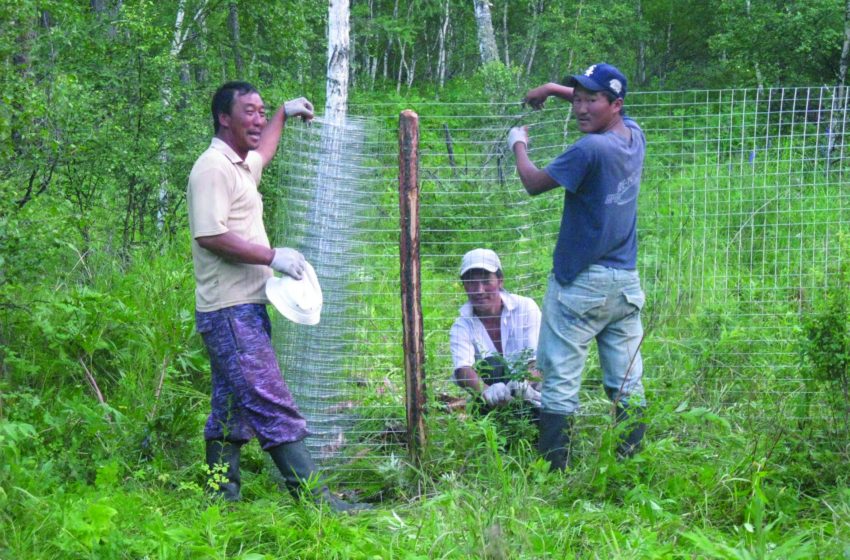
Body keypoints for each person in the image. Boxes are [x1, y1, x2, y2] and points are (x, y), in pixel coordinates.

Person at [187, 81, 366, 511]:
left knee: (229, 409)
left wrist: (283, 114)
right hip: (229, 310)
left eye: (262, 111)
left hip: (243, 306)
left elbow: (263, 151)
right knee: (271, 400)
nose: (258, 119)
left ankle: (220, 500)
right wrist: (273, 256)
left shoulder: (239, 165)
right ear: (223, 118)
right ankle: (318, 503)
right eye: (249, 111)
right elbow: (210, 234)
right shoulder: (211, 168)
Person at [507, 63, 648, 470]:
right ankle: (631, 465)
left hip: (580, 285)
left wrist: (519, 143)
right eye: (579, 99)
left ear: (615, 105)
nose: (581, 109)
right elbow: (596, 104)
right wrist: (553, 88)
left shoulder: (590, 149)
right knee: (627, 382)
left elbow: (534, 184)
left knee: (560, 379)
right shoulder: (632, 137)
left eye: (592, 101)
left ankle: (554, 471)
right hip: (624, 284)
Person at [449, 248, 543, 413]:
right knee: (492, 364)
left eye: (486, 281)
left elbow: (540, 359)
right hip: (493, 407)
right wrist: (486, 390)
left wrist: (524, 383)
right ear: (464, 286)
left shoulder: (526, 308)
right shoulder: (462, 325)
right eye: (471, 282)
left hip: (536, 395)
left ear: (500, 280)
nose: (479, 290)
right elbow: (463, 368)